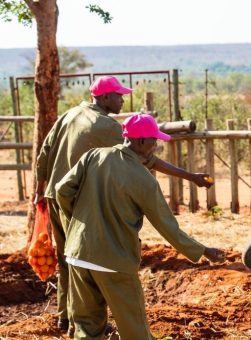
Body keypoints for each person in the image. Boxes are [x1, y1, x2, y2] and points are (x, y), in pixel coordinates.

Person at [34, 76, 212, 332]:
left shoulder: (69, 115)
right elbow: (144, 161)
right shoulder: (107, 127)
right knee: (125, 310)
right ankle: (75, 320)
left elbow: (46, 150)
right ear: (105, 97)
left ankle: (69, 319)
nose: (122, 99)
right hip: (83, 204)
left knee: (70, 259)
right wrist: (190, 177)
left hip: (59, 195)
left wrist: (41, 188)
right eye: (118, 95)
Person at [55, 114, 225, 339]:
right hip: (113, 260)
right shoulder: (144, 181)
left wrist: (79, 221)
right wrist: (202, 250)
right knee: (135, 330)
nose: (156, 146)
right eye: (154, 141)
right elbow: (167, 227)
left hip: (77, 255)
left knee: (86, 328)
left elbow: (61, 190)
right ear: (141, 142)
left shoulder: (93, 156)